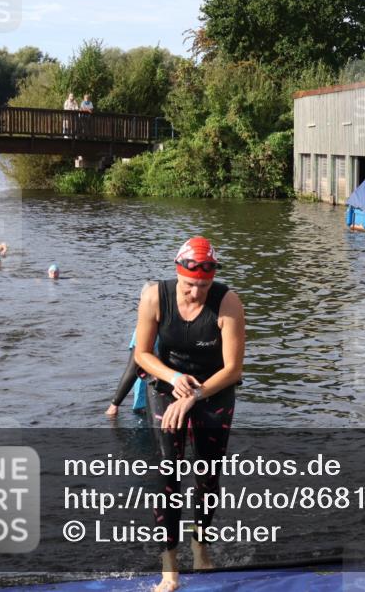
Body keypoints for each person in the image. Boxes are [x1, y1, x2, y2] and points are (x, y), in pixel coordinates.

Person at [134, 237, 245, 592]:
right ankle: (170, 567)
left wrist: (196, 394)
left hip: (213, 389)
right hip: (170, 385)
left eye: (203, 286)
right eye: (188, 285)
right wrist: (175, 378)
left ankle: (200, 546)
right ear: (176, 275)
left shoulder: (227, 302)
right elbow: (142, 354)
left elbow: (234, 369)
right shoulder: (155, 295)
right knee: (168, 476)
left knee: (207, 475)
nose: (195, 293)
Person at [106, 282, 156, 418]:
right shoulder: (171, 325)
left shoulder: (143, 331)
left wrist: (114, 404)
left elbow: (134, 367)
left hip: (145, 403)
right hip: (166, 399)